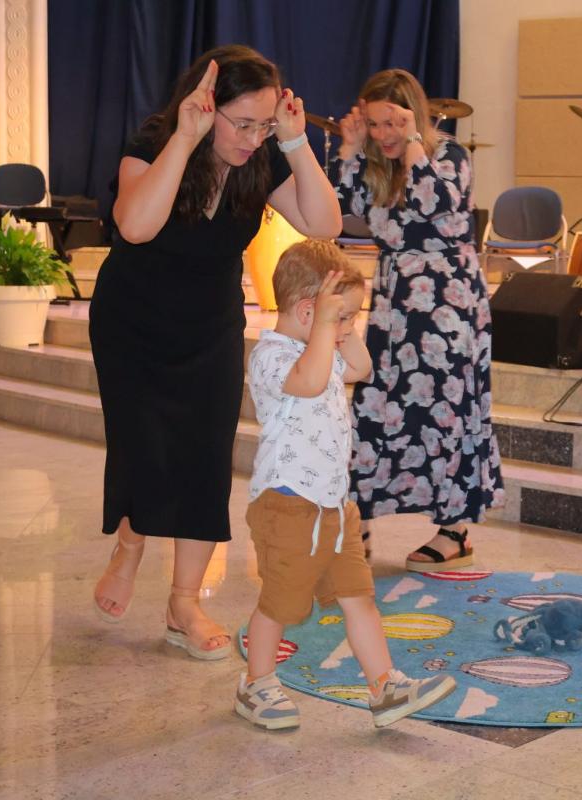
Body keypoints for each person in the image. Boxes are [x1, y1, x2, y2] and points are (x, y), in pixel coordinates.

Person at [89, 45, 342, 659]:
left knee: (204, 458)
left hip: (210, 326)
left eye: (264, 125)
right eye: (243, 124)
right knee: (144, 447)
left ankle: (185, 602)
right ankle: (130, 544)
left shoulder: (262, 160)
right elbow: (135, 226)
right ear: (207, 107)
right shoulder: (155, 141)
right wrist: (185, 139)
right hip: (133, 324)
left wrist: (293, 142)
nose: (253, 139)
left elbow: (325, 224)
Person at [235, 240, 457, 729]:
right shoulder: (271, 355)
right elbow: (310, 382)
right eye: (343, 317)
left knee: (359, 596)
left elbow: (361, 368)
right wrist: (325, 328)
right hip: (288, 506)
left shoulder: (326, 349)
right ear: (307, 312)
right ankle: (256, 683)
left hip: (335, 508)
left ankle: (384, 686)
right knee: (280, 603)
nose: (347, 327)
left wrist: (341, 325)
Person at [328, 69, 503, 572]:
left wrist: (411, 144)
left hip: (448, 302)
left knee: (447, 409)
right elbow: (341, 208)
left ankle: (455, 532)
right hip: (395, 301)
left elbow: (433, 201)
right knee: (375, 405)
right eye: (374, 123)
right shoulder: (375, 161)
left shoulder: (449, 155)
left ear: (414, 116)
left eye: (392, 123)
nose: (383, 133)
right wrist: (349, 150)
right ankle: (358, 520)